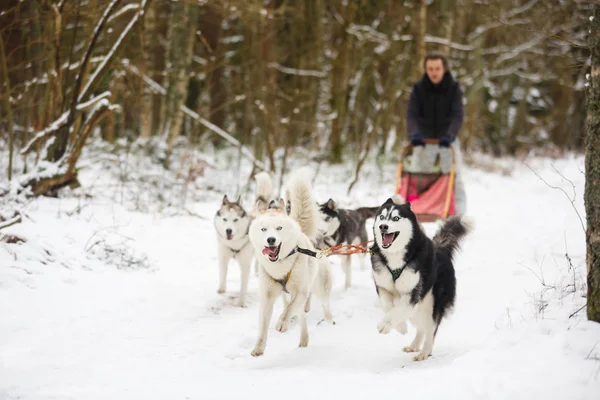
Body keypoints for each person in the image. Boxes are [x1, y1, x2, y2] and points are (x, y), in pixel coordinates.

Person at [406, 53, 467, 215]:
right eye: (430, 69)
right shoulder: (418, 88)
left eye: (437, 69)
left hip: (448, 140)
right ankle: (414, 213)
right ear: (426, 70)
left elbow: (457, 115)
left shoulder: (454, 88)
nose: (434, 72)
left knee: (454, 179)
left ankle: (457, 219)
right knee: (417, 179)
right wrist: (415, 134)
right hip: (424, 140)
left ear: (444, 69)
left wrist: (450, 134)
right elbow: (411, 114)